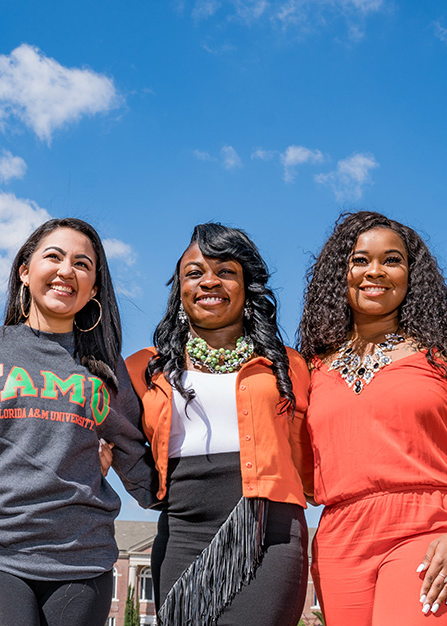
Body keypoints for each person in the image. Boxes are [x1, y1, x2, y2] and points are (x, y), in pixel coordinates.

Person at [0, 217, 156, 626]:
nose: (67, 270)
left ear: (95, 289)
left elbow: (134, 456)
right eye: (54, 256)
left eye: (83, 264)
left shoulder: (106, 370)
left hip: (82, 561)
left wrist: (193, 504)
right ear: (25, 271)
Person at [298, 211, 447, 625]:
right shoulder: (311, 369)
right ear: (338, 275)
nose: (374, 271)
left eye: (392, 260)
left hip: (433, 532)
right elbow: (305, 475)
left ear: (412, 275)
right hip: (339, 541)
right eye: (359, 260)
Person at [126, 223, 313, 626]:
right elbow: (110, 435)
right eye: (195, 273)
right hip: (180, 532)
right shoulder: (143, 368)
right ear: (180, 291)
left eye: (226, 271)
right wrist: (144, 488)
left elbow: (309, 447)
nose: (209, 280)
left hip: (269, 535)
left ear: (246, 288)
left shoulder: (289, 366)